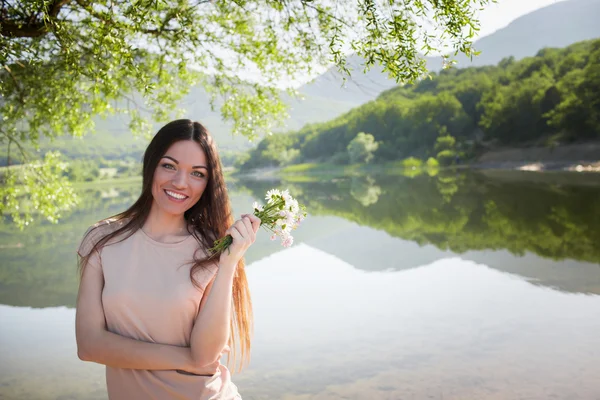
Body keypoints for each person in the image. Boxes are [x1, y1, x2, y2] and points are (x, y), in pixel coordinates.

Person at [75, 119, 260, 399]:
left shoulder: (214, 249)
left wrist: (228, 264)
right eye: (169, 166)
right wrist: (187, 359)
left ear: (208, 183)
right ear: (151, 165)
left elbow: (207, 353)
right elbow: (88, 345)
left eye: (197, 174)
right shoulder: (102, 240)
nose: (180, 183)